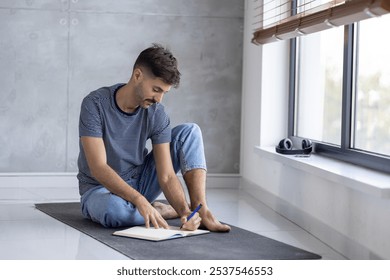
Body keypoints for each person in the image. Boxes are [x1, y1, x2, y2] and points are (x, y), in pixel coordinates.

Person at [77, 43, 230, 232]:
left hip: (140, 181)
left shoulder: (157, 113)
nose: (159, 99)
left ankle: (199, 211)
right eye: (156, 90)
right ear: (137, 75)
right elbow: (98, 168)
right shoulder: (95, 104)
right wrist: (140, 200)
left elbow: (166, 175)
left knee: (190, 131)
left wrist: (184, 213)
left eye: (164, 93)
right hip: (99, 190)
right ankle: (158, 210)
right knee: (114, 212)